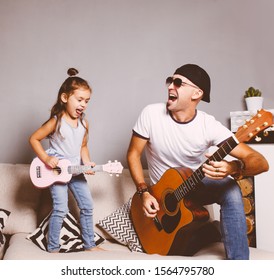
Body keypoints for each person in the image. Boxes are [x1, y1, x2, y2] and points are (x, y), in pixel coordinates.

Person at [127, 63, 269, 260]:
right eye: (170, 81)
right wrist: (143, 192)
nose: (170, 87)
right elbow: (133, 154)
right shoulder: (151, 114)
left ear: (197, 94)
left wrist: (233, 166)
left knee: (230, 188)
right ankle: (207, 233)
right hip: (162, 195)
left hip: (194, 186)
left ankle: (239, 267)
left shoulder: (207, 125)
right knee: (184, 247)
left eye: (178, 83)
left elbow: (260, 162)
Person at [29, 68, 100, 252]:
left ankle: (89, 245)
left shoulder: (84, 124)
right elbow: (34, 139)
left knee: (87, 206)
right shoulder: (57, 121)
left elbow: (83, 146)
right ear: (65, 98)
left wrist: (87, 163)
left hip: (76, 171)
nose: (83, 104)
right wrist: (46, 157)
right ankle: (53, 248)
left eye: (87, 101)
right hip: (57, 172)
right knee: (61, 209)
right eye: (79, 99)